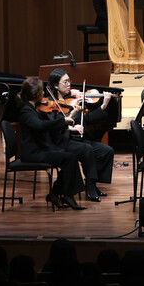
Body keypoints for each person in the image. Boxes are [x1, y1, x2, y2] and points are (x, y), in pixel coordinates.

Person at [16, 77, 86, 210]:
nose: (44, 93)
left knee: (69, 157)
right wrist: (63, 121)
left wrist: (65, 120)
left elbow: (45, 125)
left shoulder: (32, 108)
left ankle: (56, 193)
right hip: (33, 153)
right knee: (69, 158)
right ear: (35, 94)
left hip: (41, 148)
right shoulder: (26, 111)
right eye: (41, 91)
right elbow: (40, 126)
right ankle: (67, 195)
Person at [46, 69, 115, 200]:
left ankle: (92, 183)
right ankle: (90, 186)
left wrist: (104, 105)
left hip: (77, 139)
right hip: (62, 141)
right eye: (65, 82)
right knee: (87, 149)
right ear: (55, 85)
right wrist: (71, 121)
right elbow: (54, 126)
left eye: (69, 81)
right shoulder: (50, 104)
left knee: (106, 151)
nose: (69, 85)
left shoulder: (74, 100)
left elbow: (88, 119)